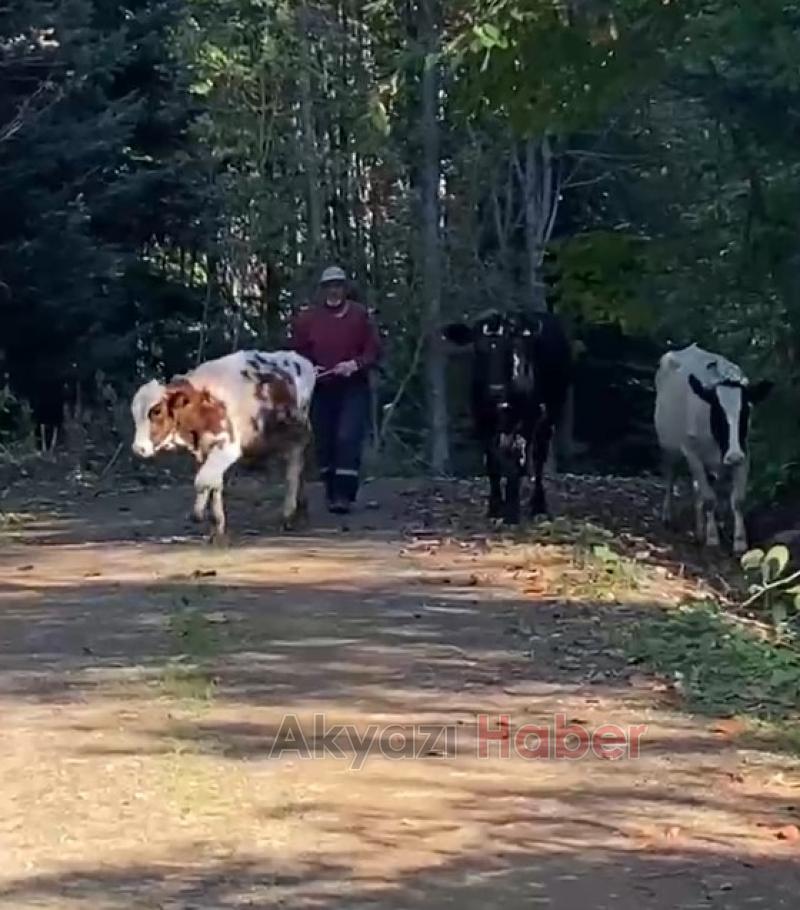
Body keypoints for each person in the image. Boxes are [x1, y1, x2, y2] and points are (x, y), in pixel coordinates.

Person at [291, 266, 382, 514]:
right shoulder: (308, 319)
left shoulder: (360, 315)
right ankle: (331, 492)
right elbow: (297, 352)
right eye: (329, 285)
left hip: (353, 386)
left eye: (338, 285)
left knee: (347, 436)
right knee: (325, 440)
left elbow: (373, 350)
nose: (334, 290)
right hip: (321, 387)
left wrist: (354, 365)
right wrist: (311, 368)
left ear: (345, 288)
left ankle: (344, 494)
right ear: (323, 289)